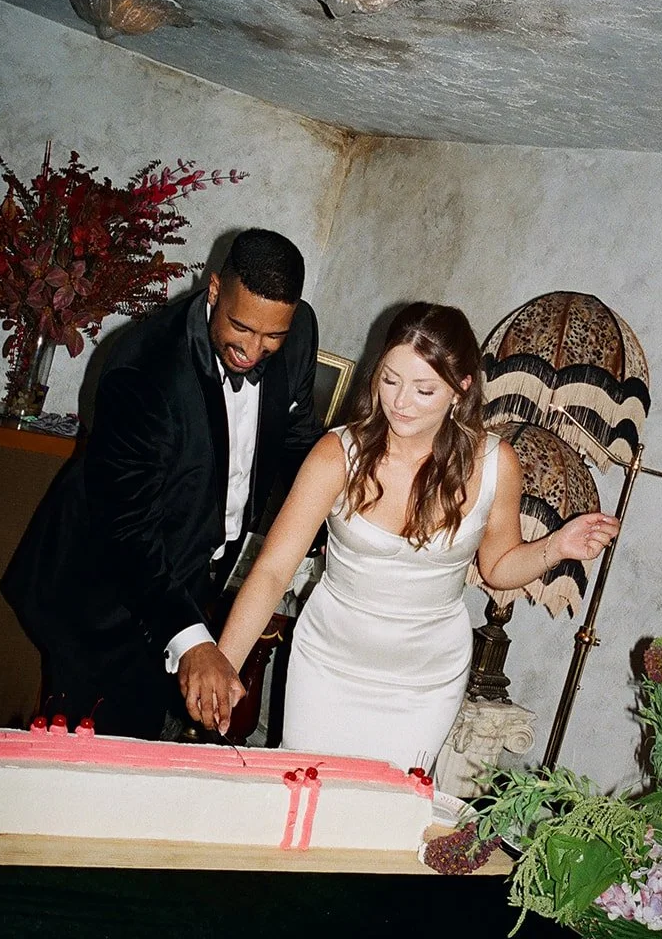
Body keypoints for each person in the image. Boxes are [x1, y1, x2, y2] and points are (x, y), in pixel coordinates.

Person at [194, 302, 620, 771]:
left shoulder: (496, 463)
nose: (399, 402)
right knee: (306, 794)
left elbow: (498, 568)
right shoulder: (337, 454)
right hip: (329, 667)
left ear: (460, 390)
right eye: (390, 380)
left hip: (426, 681)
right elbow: (274, 570)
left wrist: (555, 547)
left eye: (423, 389)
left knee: (387, 815)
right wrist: (224, 662)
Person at [1, 228, 324, 739]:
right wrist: (192, 641)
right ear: (214, 289)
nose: (254, 349)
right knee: (86, 751)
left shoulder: (300, 332)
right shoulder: (143, 369)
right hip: (103, 593)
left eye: (273, 337)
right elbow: (127, 530)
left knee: (144, 746)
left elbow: (298, 437)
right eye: (242, 327)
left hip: (189, 576)